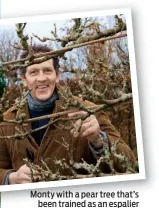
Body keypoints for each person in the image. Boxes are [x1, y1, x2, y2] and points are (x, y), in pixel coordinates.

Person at [0, 45, 136, 185]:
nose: (41, 78)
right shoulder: (7, 121)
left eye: (47, 70)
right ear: (24, 79)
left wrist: (98, 140)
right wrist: (11, 178)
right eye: (33, 72)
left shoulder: (87, 111)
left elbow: (129, 164)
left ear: (57, 75)